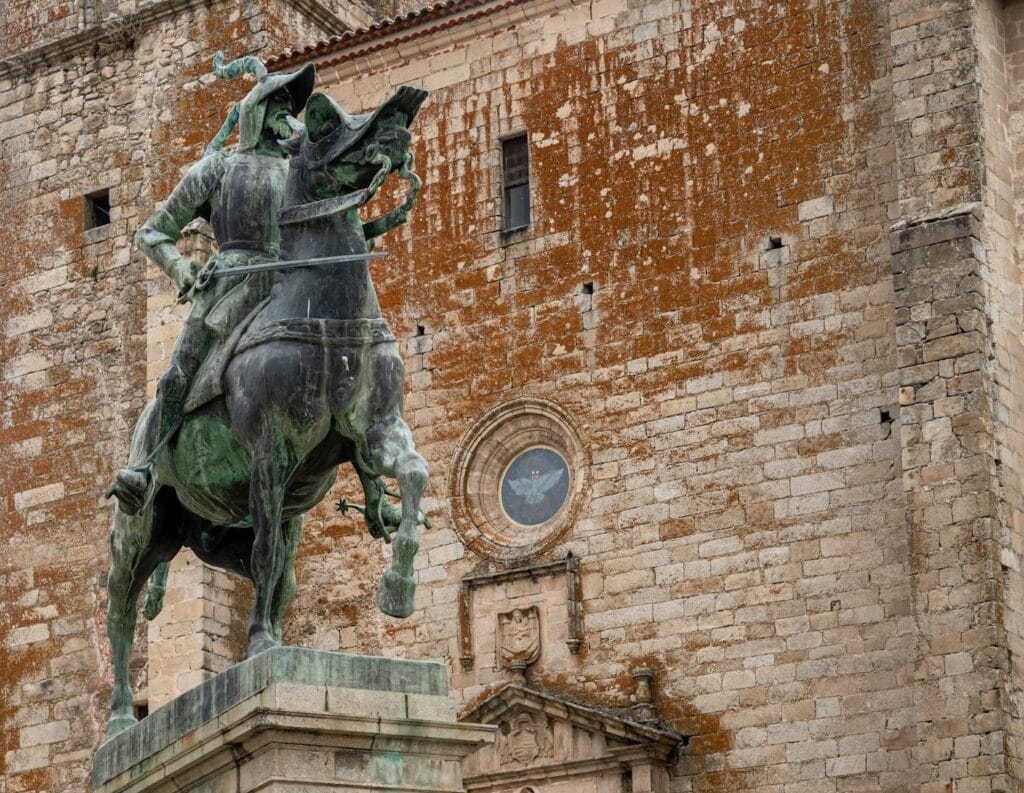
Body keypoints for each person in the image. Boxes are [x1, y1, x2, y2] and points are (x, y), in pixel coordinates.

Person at [108, 54, 315, 515]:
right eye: (277, 104)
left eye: (290, 106)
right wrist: (182, 271)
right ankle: (142, 469)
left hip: (289, 282)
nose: (287, 114)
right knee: (179, 370)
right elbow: (151, 232)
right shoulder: (217, 169)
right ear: (255, 112)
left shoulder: (300, 171)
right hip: (230, 284)